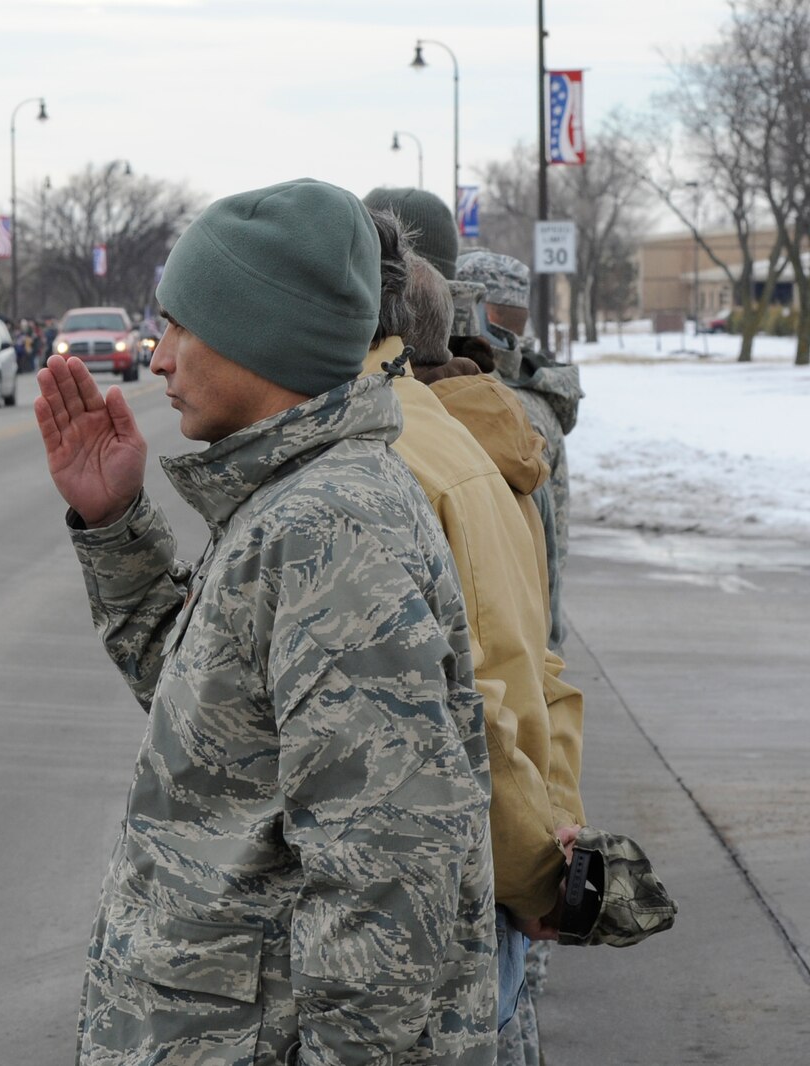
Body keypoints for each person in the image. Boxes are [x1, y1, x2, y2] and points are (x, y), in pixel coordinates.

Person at [42, 178, 494, 1064]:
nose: (159, 358)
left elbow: (388, 880)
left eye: (181, 325)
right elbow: (220, 733)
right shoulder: (293, 502)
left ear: (259, 336)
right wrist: (114, 525)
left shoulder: (332, 526)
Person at [368, 225, 592, 1049]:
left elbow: (472, 710)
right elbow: (539, 668)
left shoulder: (401, 462)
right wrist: (558, 835)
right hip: (517, 847)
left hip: (459, 888)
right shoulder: (488, 441)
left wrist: (538, 874)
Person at [458, 250, 582, 654]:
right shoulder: (530, 394)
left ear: (481, 313)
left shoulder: (496, 405)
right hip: (535, 635)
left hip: (516, 646)